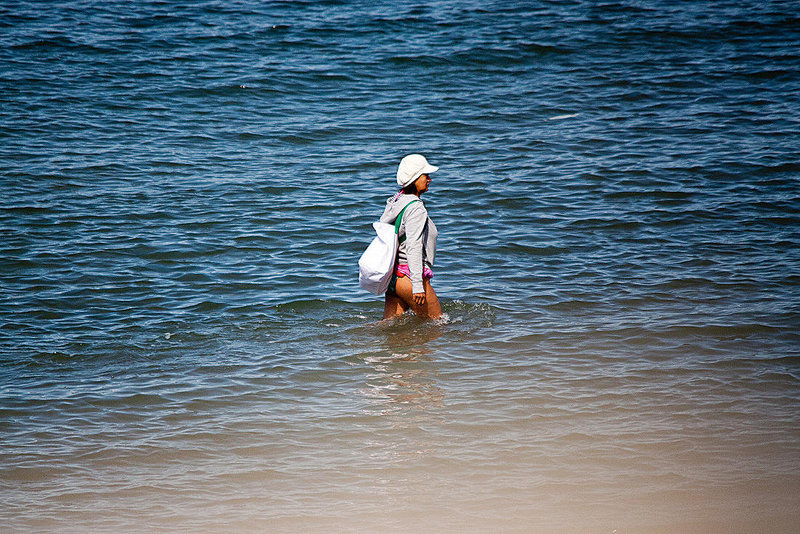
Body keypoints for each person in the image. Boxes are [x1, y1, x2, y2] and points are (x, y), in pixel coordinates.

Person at [380, 154, 442, 319]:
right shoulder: (416, 208)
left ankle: (355, 341)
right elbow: (413, 245)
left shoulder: (397, 201)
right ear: (414, 178)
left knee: (390, 330)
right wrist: (417, 286)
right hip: (409, 278)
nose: (429, 179)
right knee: (439, 325)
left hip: (394, 278)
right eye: (425, 175)